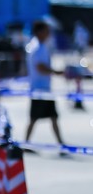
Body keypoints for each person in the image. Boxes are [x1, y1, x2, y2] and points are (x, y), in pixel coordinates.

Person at [24, 20, 66, 151]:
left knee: (53, 116)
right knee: (34, 118)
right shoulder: (37, 47)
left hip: (44, 88)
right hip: (39, 88)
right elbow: (40, 67)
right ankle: (26, 143)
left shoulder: (39, 46)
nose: (48, 33)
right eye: (46, 30)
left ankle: (60, 143)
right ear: (39, 32)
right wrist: (55, 72)